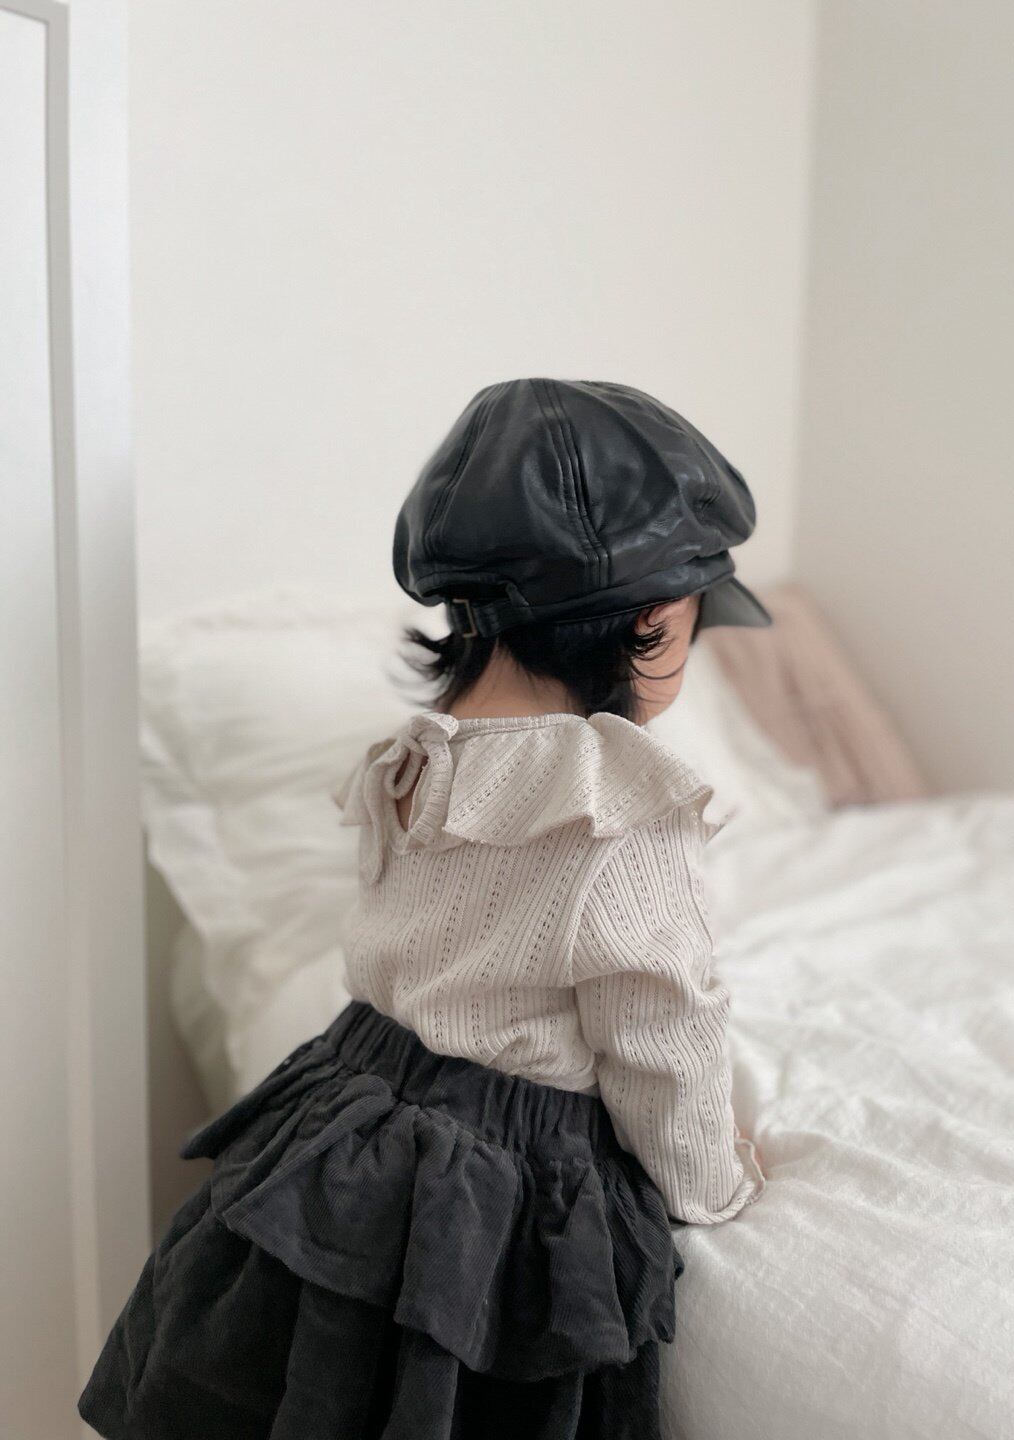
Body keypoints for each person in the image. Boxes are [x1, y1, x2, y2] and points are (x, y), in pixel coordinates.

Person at [78, 378, 767, 1440]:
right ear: (650, 621)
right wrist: (711, 1184)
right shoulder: (621, 812)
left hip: (348, 1105)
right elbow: (661, 1033)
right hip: (508, 1160)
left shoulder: (412, 763)